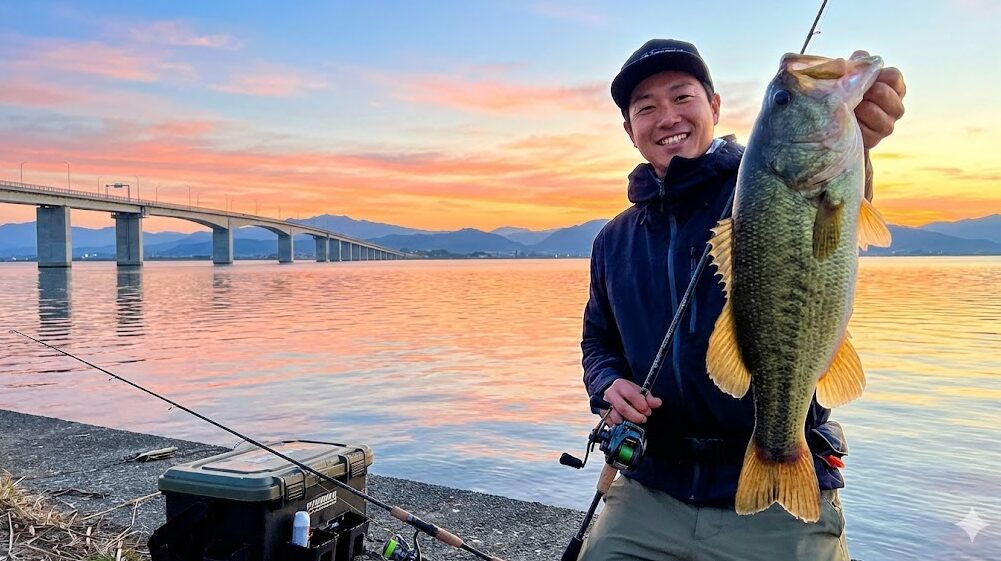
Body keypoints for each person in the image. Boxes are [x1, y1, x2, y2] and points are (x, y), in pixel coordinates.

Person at [578, 39, 906, 561]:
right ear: (630, 131)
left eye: (682, 97)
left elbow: (839, 208)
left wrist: (859, 145)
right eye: (646, 107)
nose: (667, 117)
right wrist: (607, 384)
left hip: (776, 504)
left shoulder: (757, 182)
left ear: (714, 107)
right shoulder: (613, 240)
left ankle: (781, 451)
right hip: (651, 486)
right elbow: (598, 340)